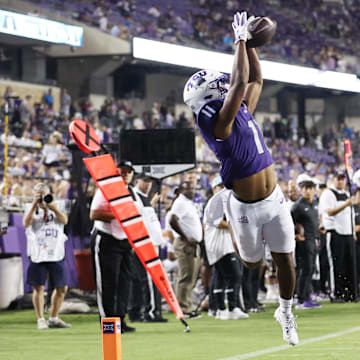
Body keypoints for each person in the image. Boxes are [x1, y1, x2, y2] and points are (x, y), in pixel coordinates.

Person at [183, 11, 298, 345]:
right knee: (252, 263)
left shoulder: (239, 108)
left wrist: (250, 45)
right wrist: (240, 39)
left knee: (286, 260)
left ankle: (286, 313)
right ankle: (227, 209)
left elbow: (255, 80)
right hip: (246, 207)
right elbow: (236, 84)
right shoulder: (215, 123)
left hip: (274, 198)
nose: (221, 85)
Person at [89, 160, 137, 333]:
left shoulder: (131, 192)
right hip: (107, 238)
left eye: (129, 172)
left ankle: (120, 320)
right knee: (107, 283)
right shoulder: (105, 189)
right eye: (122, 171)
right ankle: (108, 322)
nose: (125, 174)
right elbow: (94, 214)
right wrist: (119, 213)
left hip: (124, 240)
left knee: (124, 282)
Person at [23, 182, 70, 330]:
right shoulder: (29, 207)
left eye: (45, 194)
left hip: (56, 252)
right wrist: (34, 205)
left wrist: (52, 206)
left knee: (62, 287)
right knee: (39, 287)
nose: (43, 197)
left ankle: (54, 318)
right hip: (38, 253)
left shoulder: (58, 205)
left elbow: (64, 221)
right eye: (39, 194)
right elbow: (26, 223)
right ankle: (41, 319)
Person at [203, 175, 248, 320]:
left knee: (221, 277)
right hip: (220, 245)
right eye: (220, 187)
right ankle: (231, 307)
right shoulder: (214, 203)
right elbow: (220, 223)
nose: (224, 189)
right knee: (235, 275)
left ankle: (221, 308)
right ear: (214, 188)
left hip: (222, 245)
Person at [128, 173, 167, 323]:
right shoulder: (133, 195)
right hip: (144, 244)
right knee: (149, 280)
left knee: (140, 281)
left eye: (150, 182)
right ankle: (150, 312)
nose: (148, 185)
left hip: (150, 244)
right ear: (137, 181)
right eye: (145, 181)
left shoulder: (143, 198)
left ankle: (136, 312)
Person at [318, 170, 358, 302]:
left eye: (342, 179)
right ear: (333, 179)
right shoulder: (328, 194)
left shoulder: (346, 194)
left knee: (348, 264)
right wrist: (346, 204)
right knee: (336, 264)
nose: (340, 181)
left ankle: (349, 292)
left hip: (347, 233)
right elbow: (329, 212)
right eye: (338, 178)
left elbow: (351, 216)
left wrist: (352, 232)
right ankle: (336, 293)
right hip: (335, 232)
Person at [169, 181, 202, 319]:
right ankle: (183, 309)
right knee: (186, 277)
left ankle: (187, 306)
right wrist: (185, 237)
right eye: (189, 188)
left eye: (194, 188)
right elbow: (172, 220)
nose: (192, 191)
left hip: (192, 244)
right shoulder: (181, 203)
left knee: (191, 277)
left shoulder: (187, 202)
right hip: (185, 244)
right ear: (181, 190)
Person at [292, 174, 322, 309]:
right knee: (305, 269)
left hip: (313, 239)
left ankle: (307, 297)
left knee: (311, 269)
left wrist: (320, 231)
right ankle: (300, 300)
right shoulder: (297, 206)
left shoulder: (315, 204)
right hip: (304, 242)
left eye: (310, 188)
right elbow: (288, 224)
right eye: (305, 188)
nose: (308, 191)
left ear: (314, 190)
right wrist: (295, 236)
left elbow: (314, 221)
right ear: (301, 190)